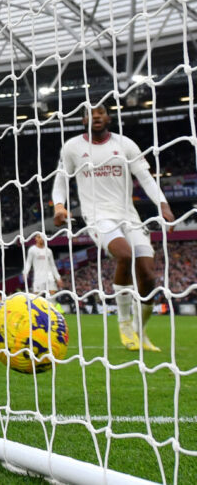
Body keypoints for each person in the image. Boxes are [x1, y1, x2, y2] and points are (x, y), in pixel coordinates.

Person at [52, 104, 174, 352]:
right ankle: (124, 322)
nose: (96, 116)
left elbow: (147, 178)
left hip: (129, 215)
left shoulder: (126, 144)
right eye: (90, 113)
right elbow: (61, 181)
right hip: (97, 216)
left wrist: (163, 205)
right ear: (83, 119)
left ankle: (141, 331)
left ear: (108, 117)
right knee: (125, 255)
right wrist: (59, 206)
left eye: (100, 112)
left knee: (149, 277)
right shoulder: (72, 147)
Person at [22, 234, 63, 305]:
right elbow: (28, 263)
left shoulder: (49, 251)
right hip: (38, 277)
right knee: (36, 298)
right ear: (36, 239)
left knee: (52, 297)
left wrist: (58, 278)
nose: (41, 239)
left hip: (49, 276)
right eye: (39, 237)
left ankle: (51, 314)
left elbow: (53, 265)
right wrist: (25, 273)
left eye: (42, 237)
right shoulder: (32, 250)